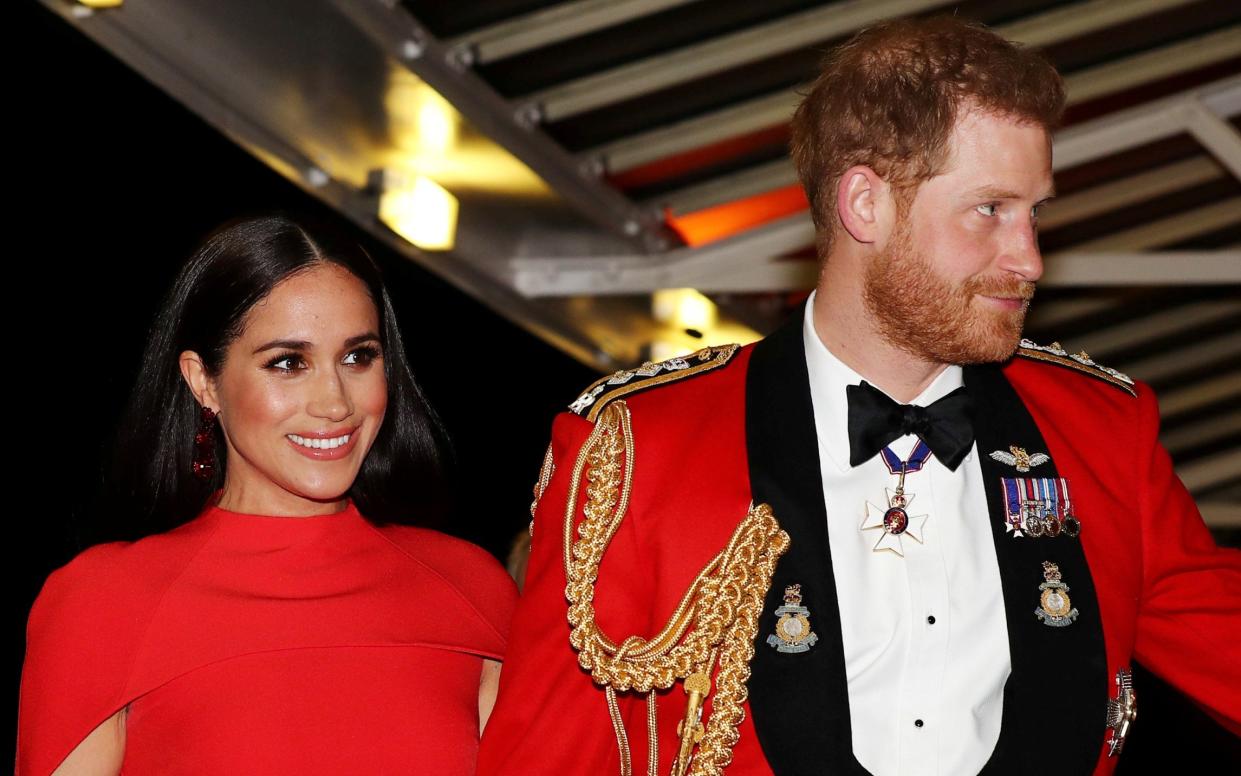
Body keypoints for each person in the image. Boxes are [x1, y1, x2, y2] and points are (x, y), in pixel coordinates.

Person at [477, 17, 1241, 776]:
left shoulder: (1101, 429)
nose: (1030, 258)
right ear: (863, 205)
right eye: (990, 210)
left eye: (1033, 212)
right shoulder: (639, 444)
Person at [19, 215, 517, 775]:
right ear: (203, 380)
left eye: (358, 357)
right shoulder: (104, 602)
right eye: (288, 363)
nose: (334, 403)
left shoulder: (472, 589)